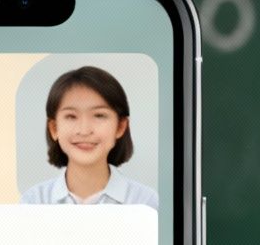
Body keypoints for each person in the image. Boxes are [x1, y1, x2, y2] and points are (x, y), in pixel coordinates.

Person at [19, 64, 160, 207]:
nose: (84, 130)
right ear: (54, 128)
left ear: (120, 126)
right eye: (71, 116)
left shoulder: (146, 202)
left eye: (99, 115)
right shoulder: (34, 201)